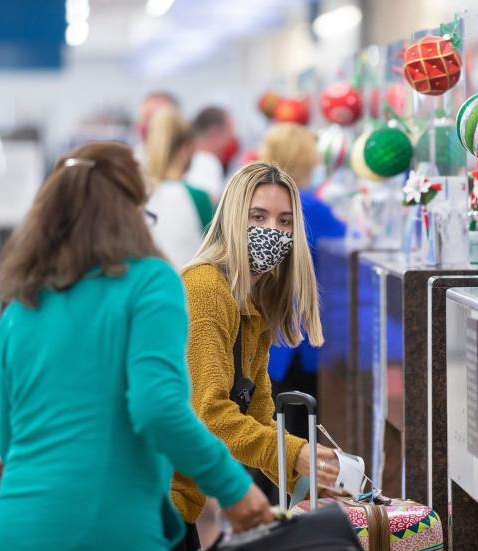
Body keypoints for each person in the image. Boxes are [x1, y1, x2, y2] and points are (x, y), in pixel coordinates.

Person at [0, 142, 272, 551]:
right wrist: (234, 489)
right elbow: (159, 408)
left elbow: (9, 439)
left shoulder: (24, 304)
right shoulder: (148, 282)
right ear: (131, 209)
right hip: (110, 550)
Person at [174, 161, 340, 529]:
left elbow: (258, 417)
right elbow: (210, 416)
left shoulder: (249, 303)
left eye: (284, 222)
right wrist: (297, 454)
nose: (272, 232)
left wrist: (314, 482)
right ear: (233, 218)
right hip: (149, 502)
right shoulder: (204, 291)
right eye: (258, 217)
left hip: (177, 500)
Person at [259, 123, 347, 436]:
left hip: (266, 336)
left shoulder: (259, 202)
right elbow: (350, 242)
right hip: (297, 340)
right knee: (295, 441)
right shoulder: (308, 206)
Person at [144, 108, 214, 268]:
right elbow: (216, 253)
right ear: (186, 149)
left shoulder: (137, 195)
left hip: (149, 287)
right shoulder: (197, 197)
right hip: (188, 287)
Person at [187, 106, 239, 204]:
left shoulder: (185, 161)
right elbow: (208, 208)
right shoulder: (207, 163)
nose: (232, 142)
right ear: (215, 134)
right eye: (230, 136)